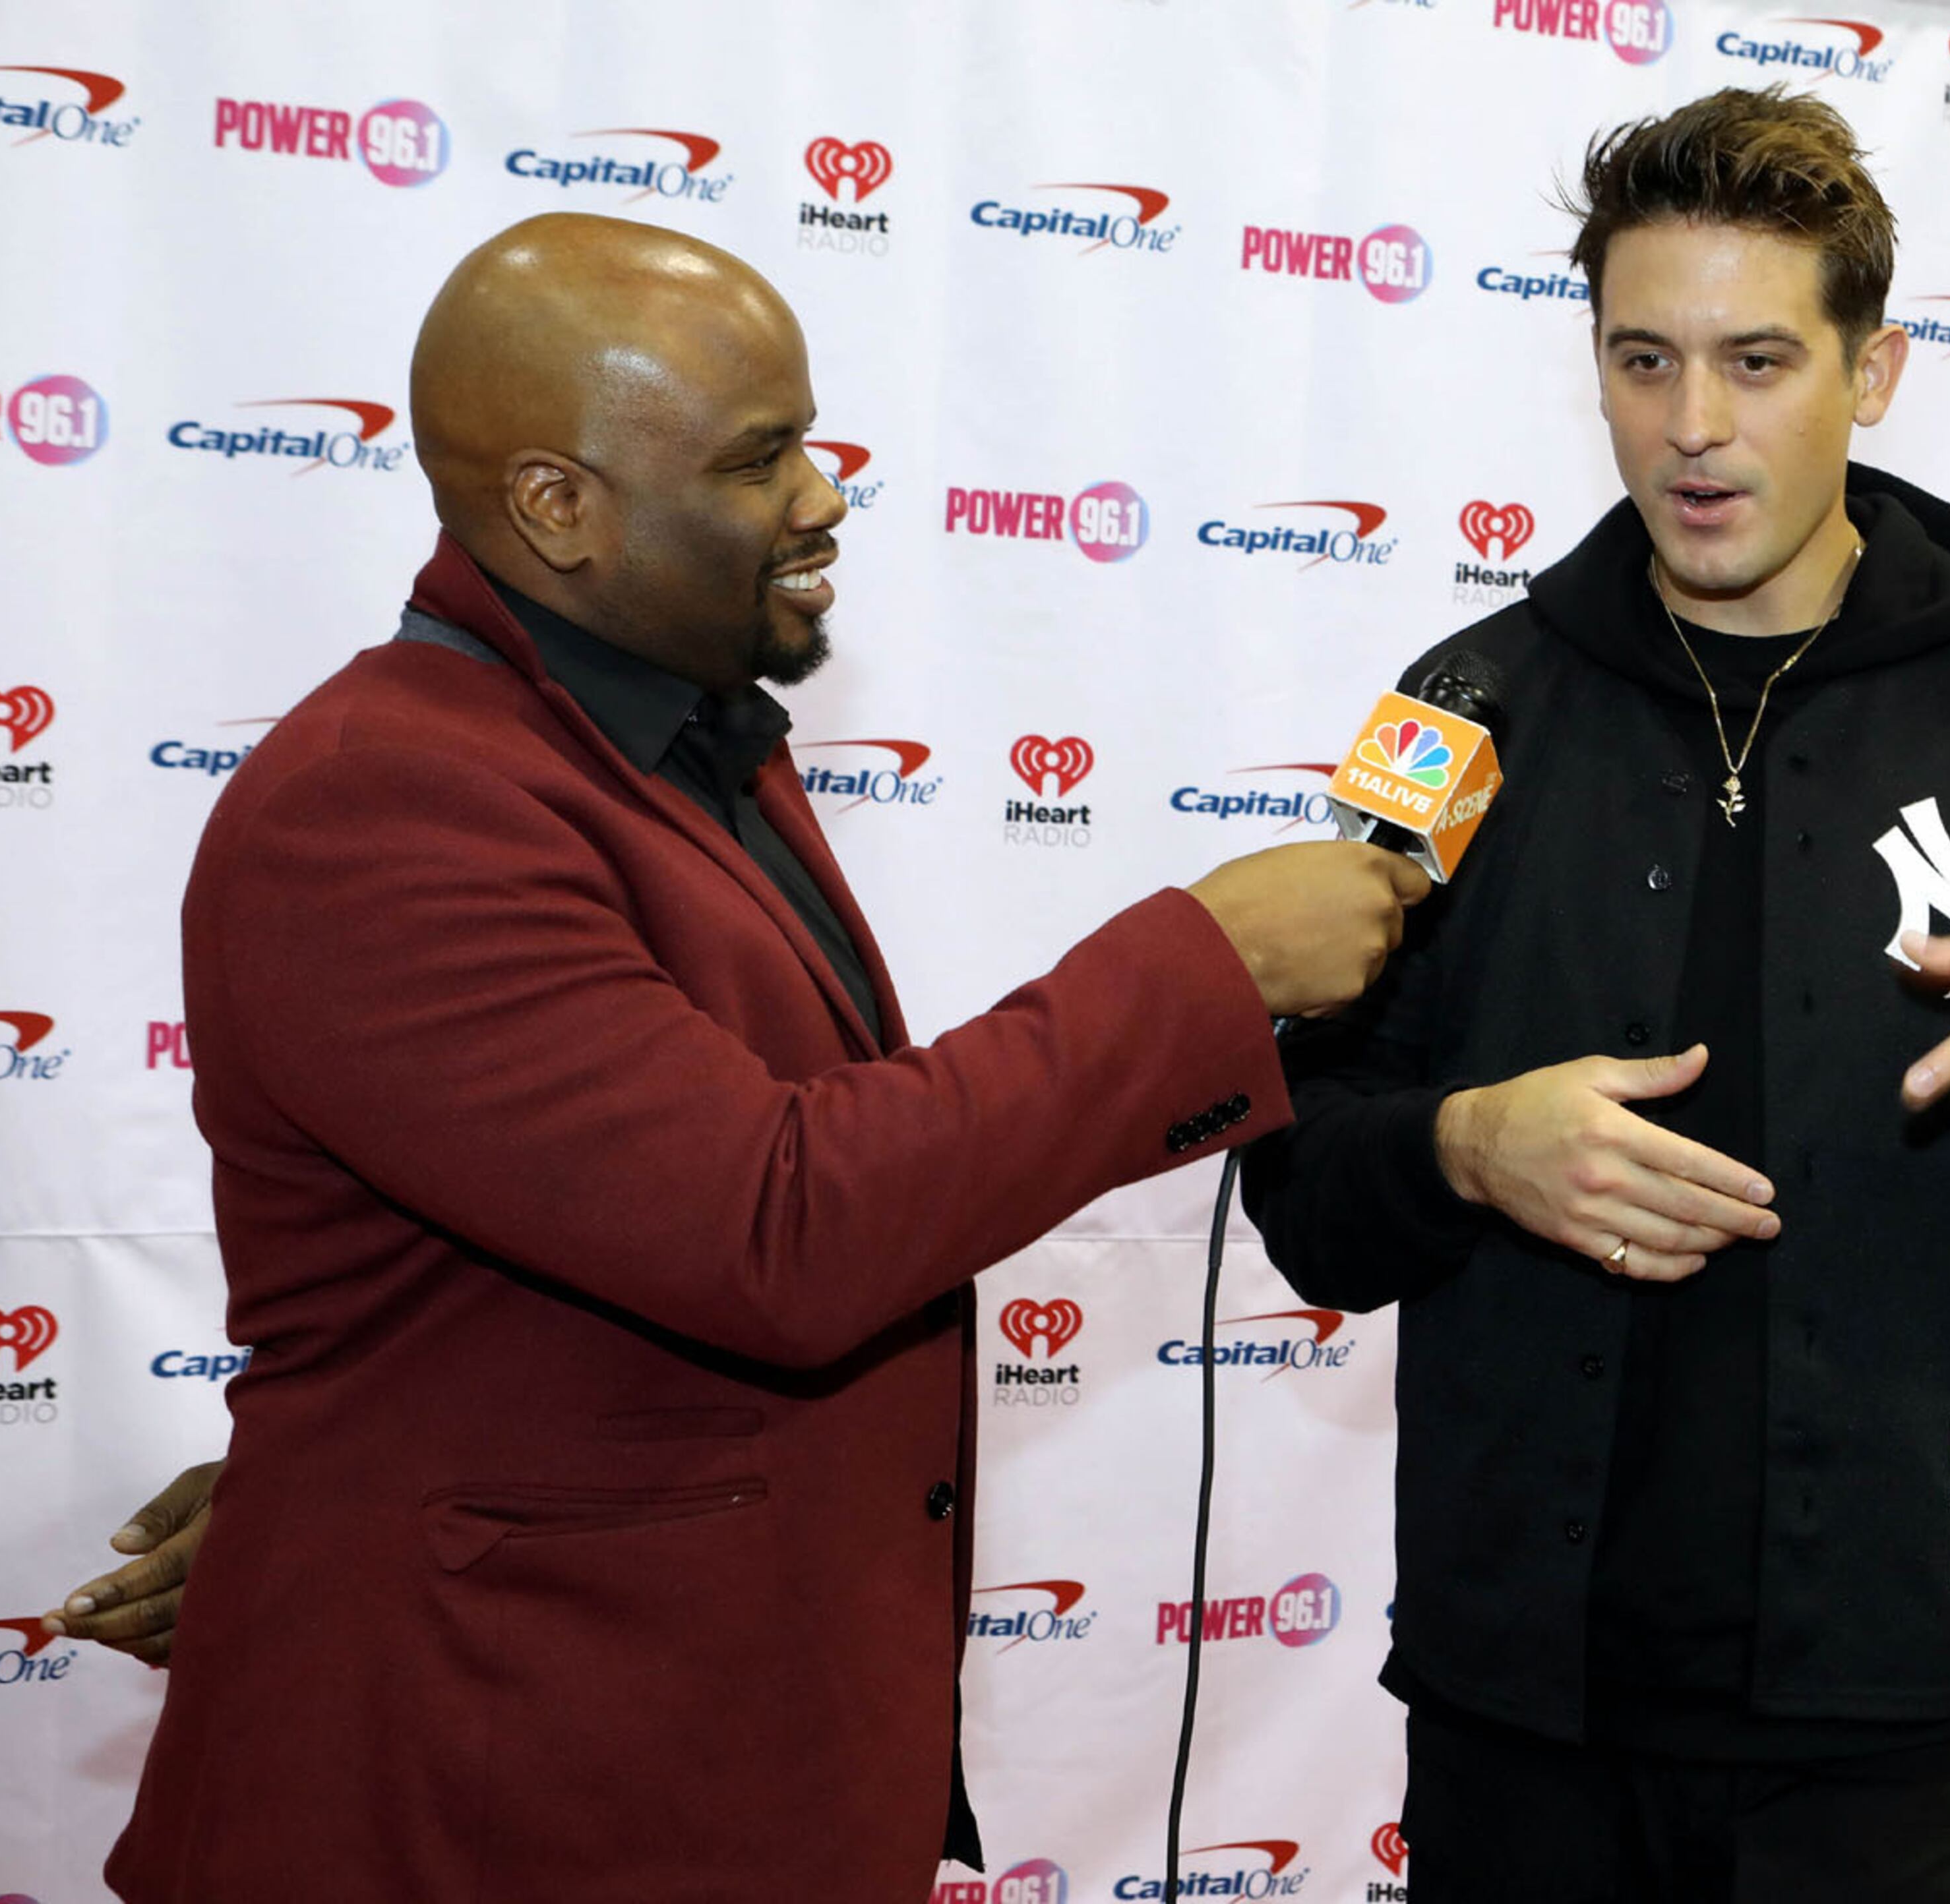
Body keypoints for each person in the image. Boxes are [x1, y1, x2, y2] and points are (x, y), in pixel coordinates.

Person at [85, 211, 1428, 1903]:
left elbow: (610, 1216)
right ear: (556, 508)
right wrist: (1208, 968)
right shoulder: (384, 807)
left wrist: (344, 1465)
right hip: (498, 1803)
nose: (822, 498)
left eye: (813, 437)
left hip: (676, 1764)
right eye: (758, 457)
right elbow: (779, 1224)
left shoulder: (666, 733)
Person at [1240, 88, 1950, 1903]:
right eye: (1643, 362)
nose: (1694, 428)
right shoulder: (1460, 713)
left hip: (1886, 1712)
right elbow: (1306, 1203)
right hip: (1527, 1713)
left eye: (1757, 361)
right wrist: (1465, 1147)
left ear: (1872, 372)